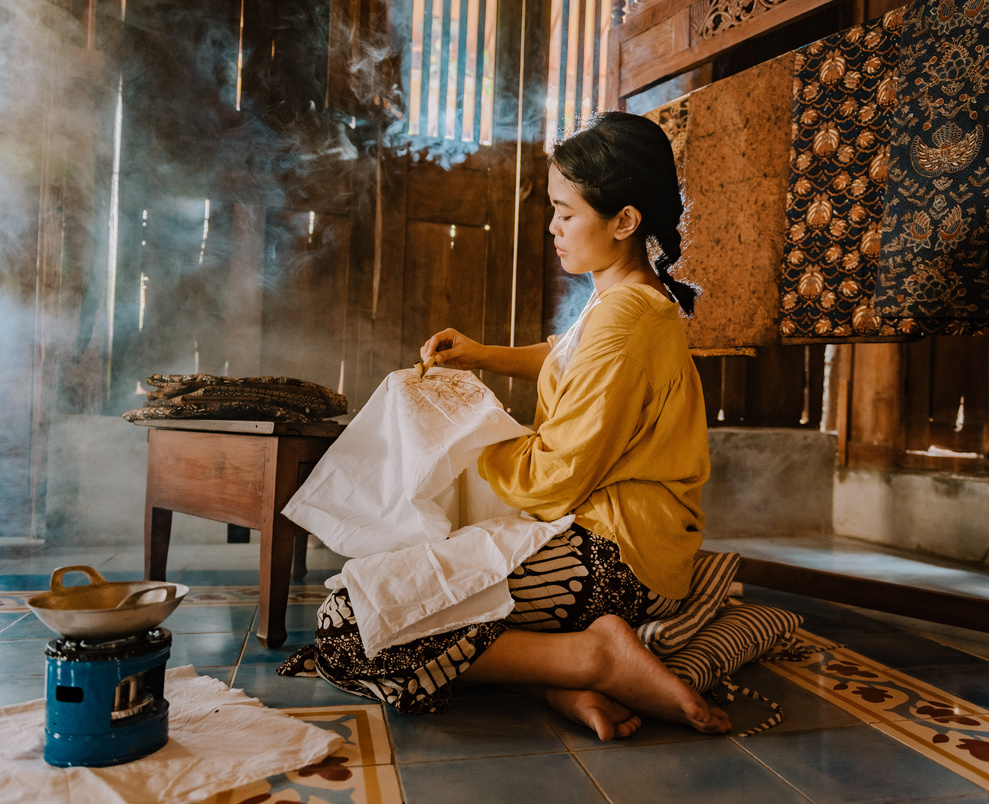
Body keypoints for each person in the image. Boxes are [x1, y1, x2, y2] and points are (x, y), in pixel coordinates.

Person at [281, 111, 729, 741]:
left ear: (625, 221)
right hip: (608, 537)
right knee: (390, 600)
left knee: (347, 628)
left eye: (566, 212)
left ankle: (596, 656)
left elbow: (552, 479)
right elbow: (564, 355)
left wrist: (464, 432)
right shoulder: (620, 299)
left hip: (619, 559)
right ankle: (560, 683)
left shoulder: (626, 319)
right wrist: (482, 355)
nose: (552, 227)